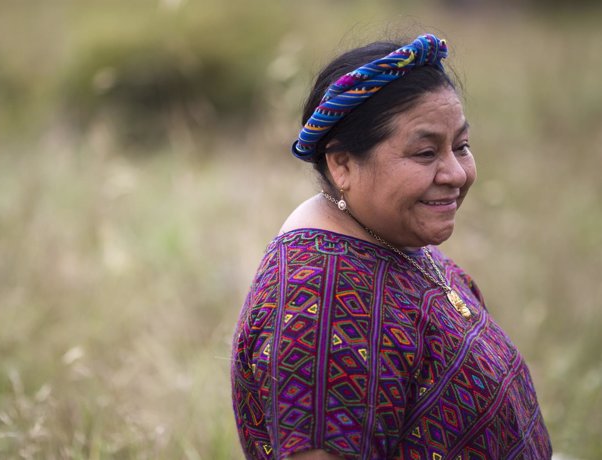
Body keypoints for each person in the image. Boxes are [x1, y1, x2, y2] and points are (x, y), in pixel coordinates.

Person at [230, 33, 552, 459]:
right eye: (424, 153)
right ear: (341, 163)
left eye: (461, 146)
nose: (456, 173)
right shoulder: (324, 301)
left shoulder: (394, 240)